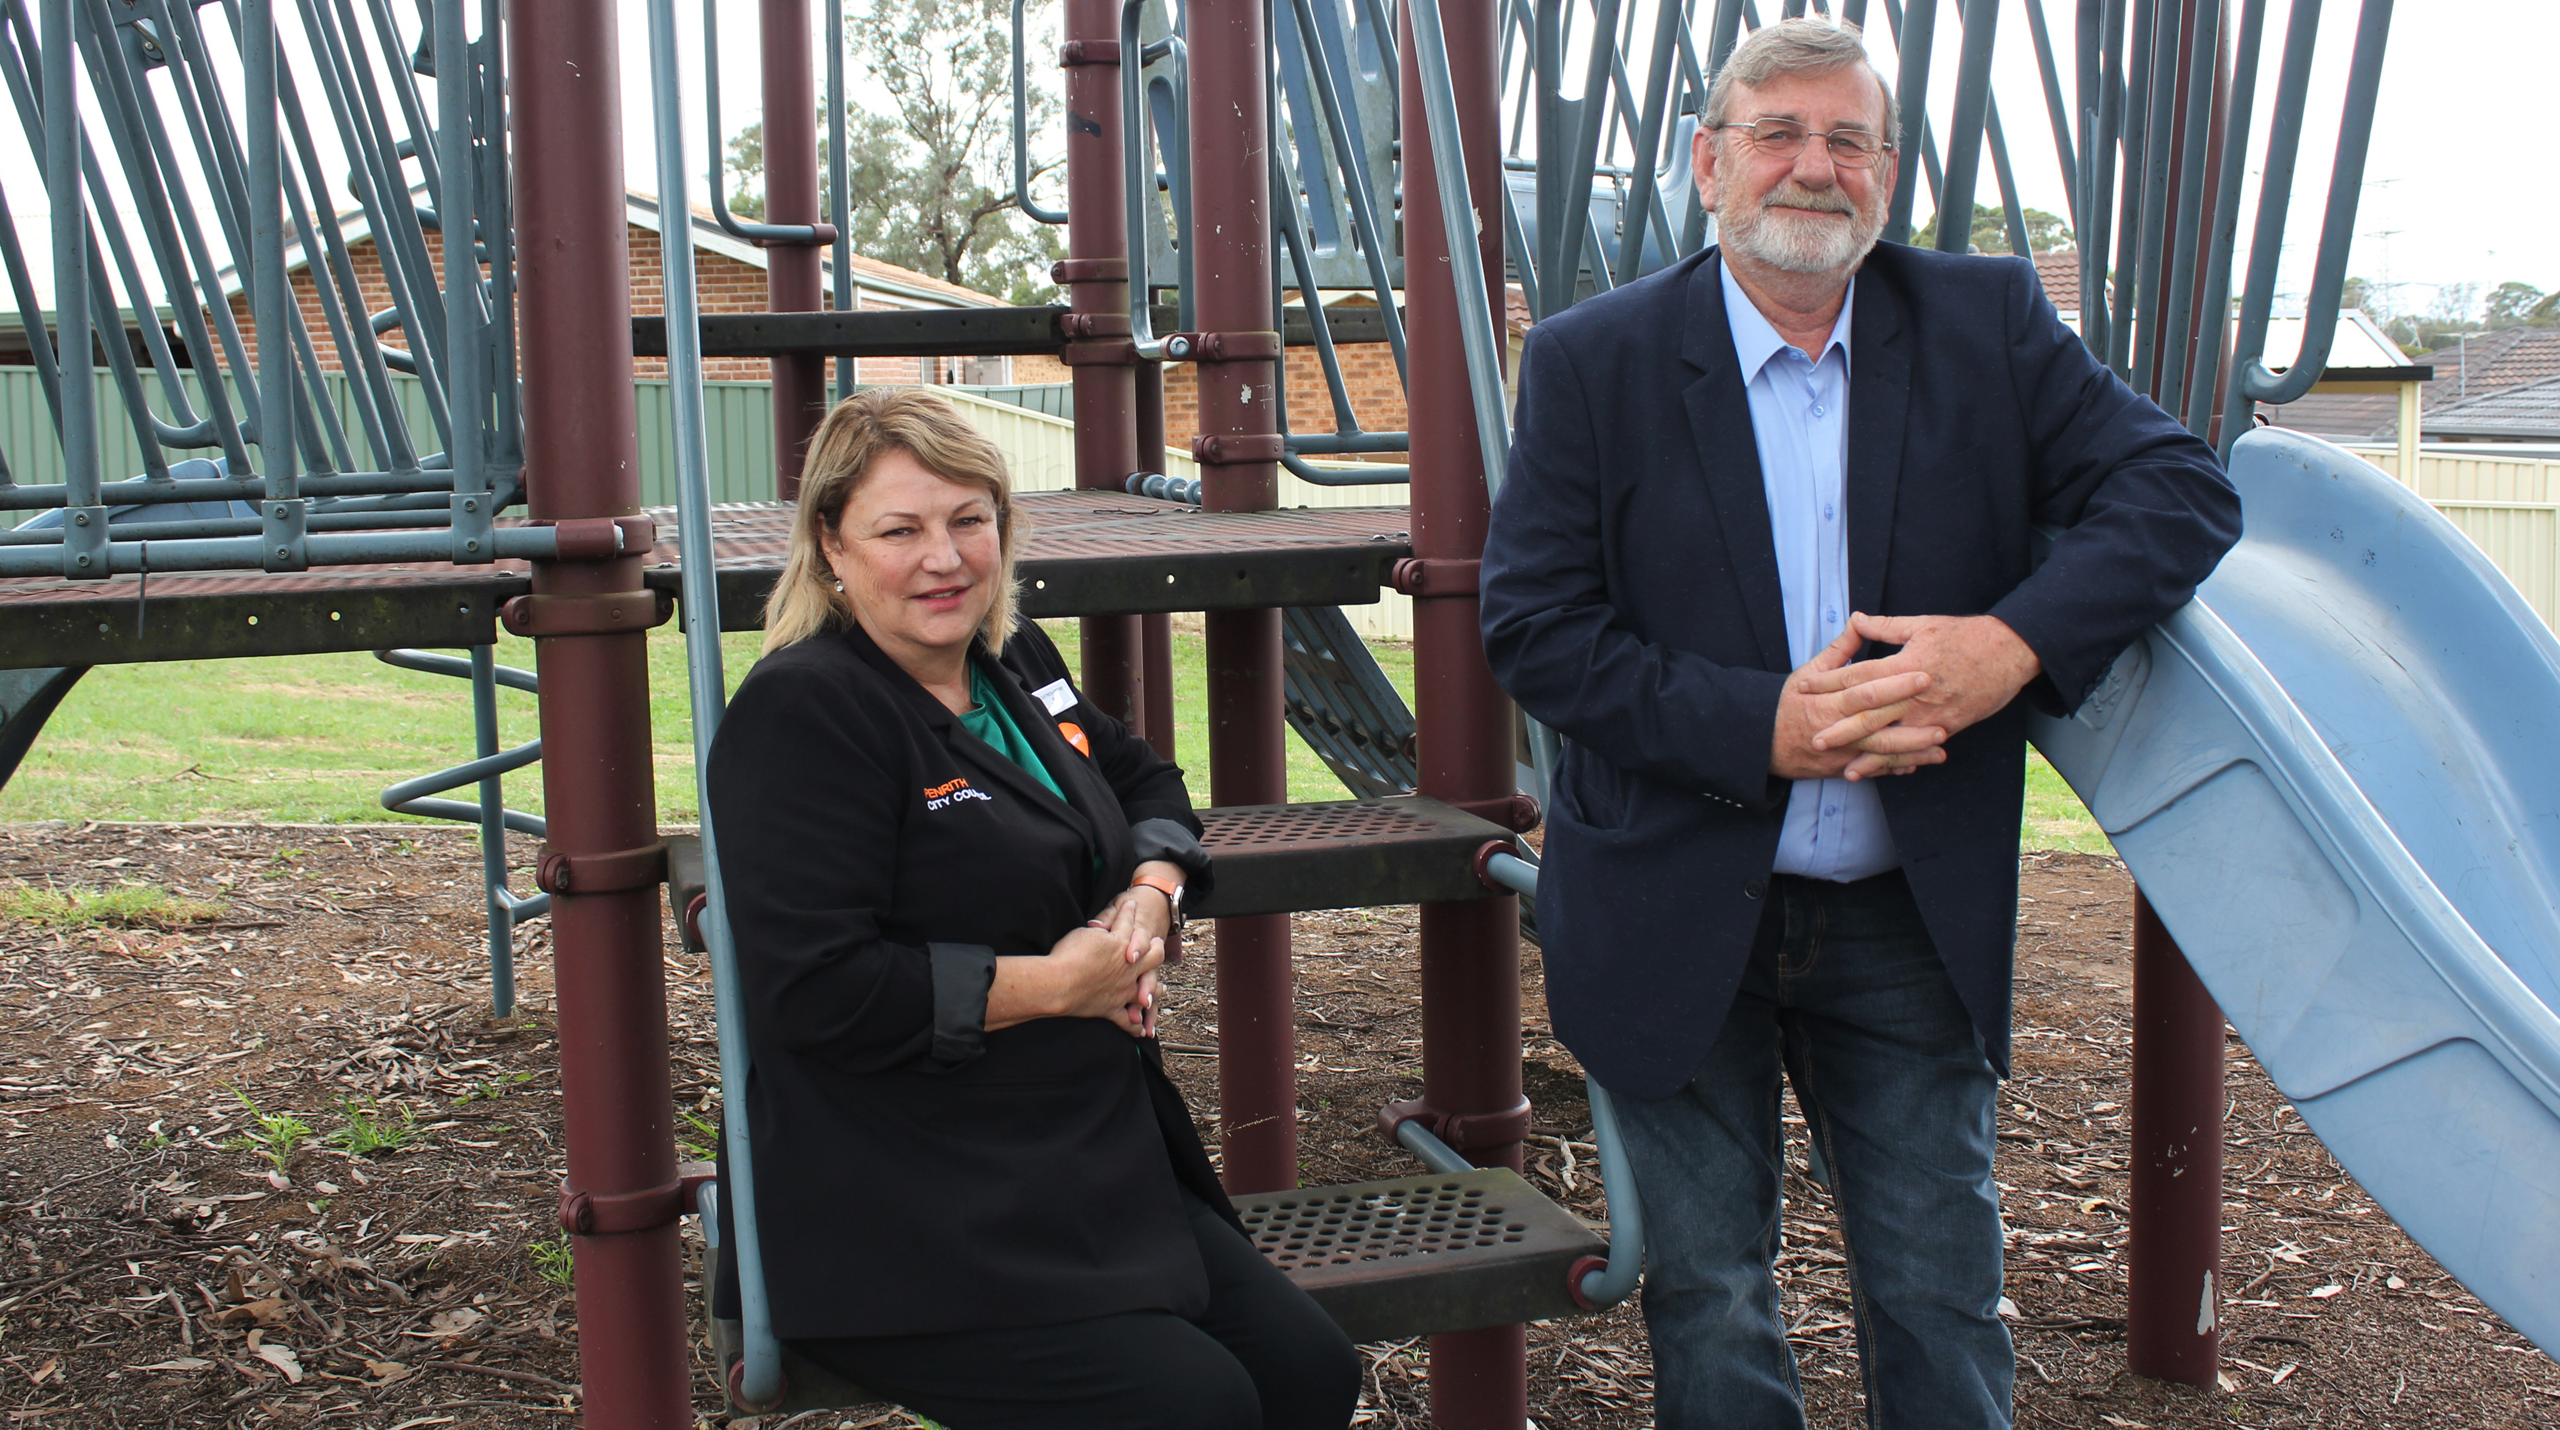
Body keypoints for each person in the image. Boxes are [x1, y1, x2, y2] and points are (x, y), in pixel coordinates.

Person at [1479, 19, 2241, 1430]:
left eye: (1851, 139)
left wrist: (2005, 647)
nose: (1814, 167)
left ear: (1888, 174)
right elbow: (1533, 630)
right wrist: (1763, 723)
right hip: (1669, 890)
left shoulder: (1986, 322)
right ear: (1711, 164)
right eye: (1780, 133)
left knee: (1942, 1288)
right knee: (1709, 1291)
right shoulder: (1597, 360)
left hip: (1906, 907)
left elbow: (2182, 493)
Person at [705, 388, 1360, 1430]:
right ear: (830, 545)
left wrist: (1149, 895)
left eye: (971, 519)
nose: (945, 557)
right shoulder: (806, 711)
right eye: (900, 528)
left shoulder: (1014, 665)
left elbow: (1149, 783)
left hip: (1078, 1160)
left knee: (1309, 1372)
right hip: (902, 1195)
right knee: (1195, 1407)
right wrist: (1064, 984)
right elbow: (816, 989)